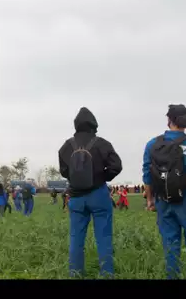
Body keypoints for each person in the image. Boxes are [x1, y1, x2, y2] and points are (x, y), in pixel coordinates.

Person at [59, 107, 123, 278]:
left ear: (76, 125)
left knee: (76, 238)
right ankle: (107, 273)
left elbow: (64, 171)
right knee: (104, 236)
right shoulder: (102, 144)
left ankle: (75, 273)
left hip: (76, 197)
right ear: (94, 124)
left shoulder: (66, 146)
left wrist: (77, 179)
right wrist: (102, 176)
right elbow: (116, 166)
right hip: (99, 195)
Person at [143, 104, 186, 279]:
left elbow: (147, 175)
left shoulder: (152, 145)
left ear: (169, 121)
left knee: (170, 245)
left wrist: (150, 200)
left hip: (163, 201)